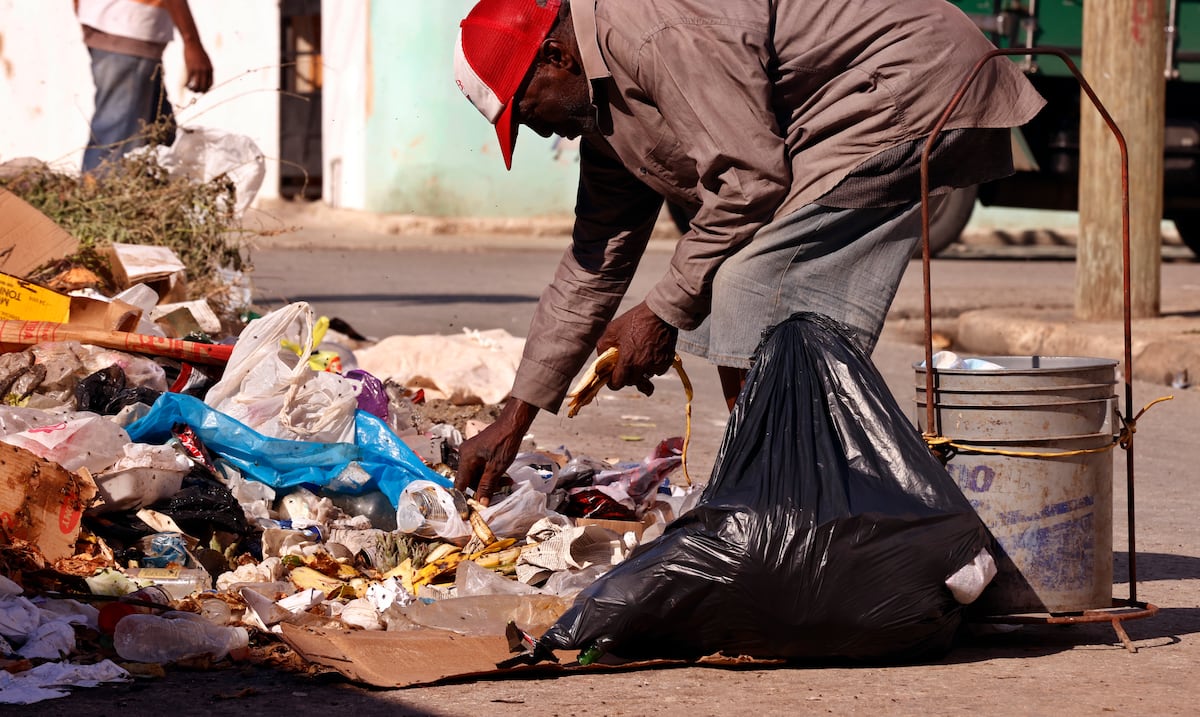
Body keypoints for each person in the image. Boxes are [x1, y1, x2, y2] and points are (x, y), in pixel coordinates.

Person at [452, 0, 1045, 503]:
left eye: (526, 110)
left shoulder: (653, 30)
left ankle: (788, 497)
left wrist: (660, 313)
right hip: (853, 104)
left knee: (746, 284)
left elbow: (750, 181)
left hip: (914, 77)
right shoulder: (602, 112)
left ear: (556, 57)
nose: (538, 131)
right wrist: (514, 420)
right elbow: (592, 264)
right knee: (724, 282)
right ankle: (777, 492)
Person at [77, 0, 213, 174]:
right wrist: (192, 42)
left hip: (108, 24)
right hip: (129, 32)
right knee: (114, 148)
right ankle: (95, 189)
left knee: (161, 138)